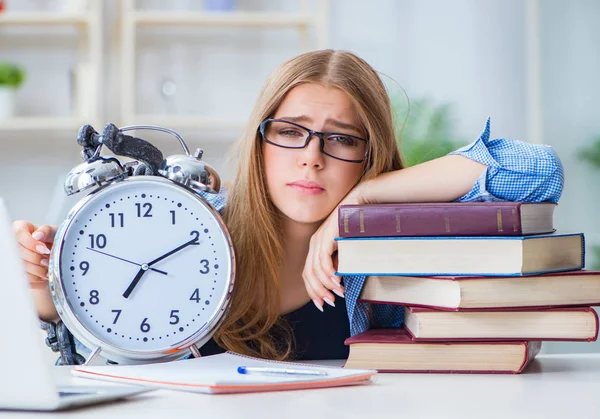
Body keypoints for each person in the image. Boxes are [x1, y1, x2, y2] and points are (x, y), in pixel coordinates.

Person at [13, 49, 563, 362]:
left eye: (342, 139)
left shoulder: (389, 258)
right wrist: (46, 292)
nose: (311, 159)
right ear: (260, 141)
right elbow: (111, 343)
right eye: (290, 132)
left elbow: (537, 171)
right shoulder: (194, 230)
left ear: (369, 155)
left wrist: (366, 201)